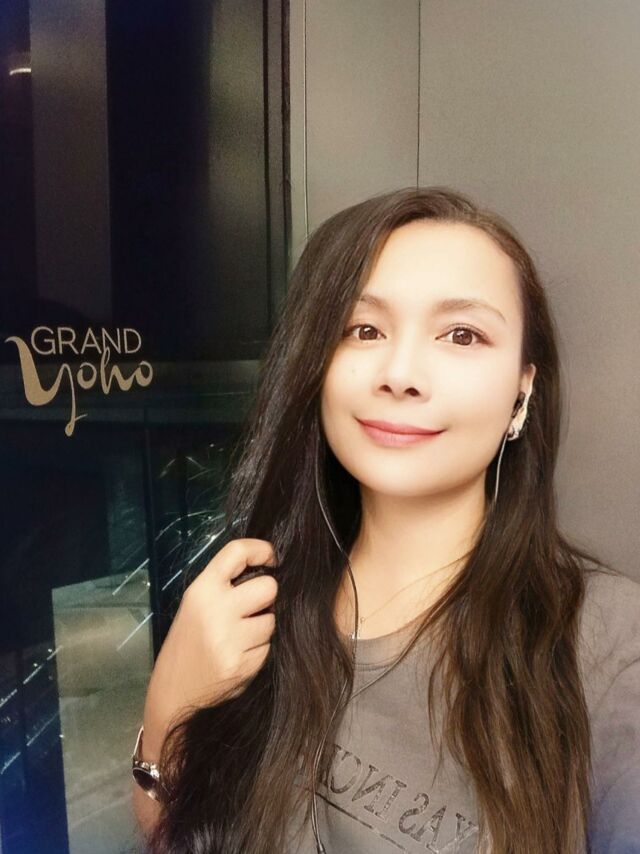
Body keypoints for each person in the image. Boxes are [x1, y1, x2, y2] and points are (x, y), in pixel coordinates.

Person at [132, 186, 640, 854]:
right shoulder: (246, 610)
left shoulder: (607, 643)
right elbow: (174, 834)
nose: (400, 374)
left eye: (462, 335)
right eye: (364, 330)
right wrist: (169, 709)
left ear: (522, 389)